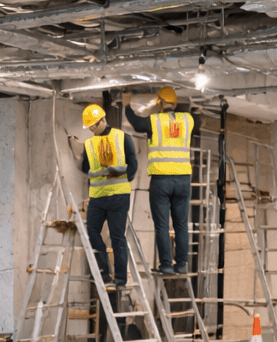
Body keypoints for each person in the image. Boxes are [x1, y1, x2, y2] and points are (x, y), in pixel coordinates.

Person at [123, 87, 194, 275]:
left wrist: (127, 104)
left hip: (161, 180)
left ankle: (167, 265)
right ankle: (181, 264)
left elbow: (136, 122)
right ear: (175, 103)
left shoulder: (154, 121)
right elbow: (197, 116)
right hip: (183, 180)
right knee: (181, 225)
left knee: (162, 225)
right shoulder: (188, 120)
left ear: (160, 103)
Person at [68, 103, 136, 289]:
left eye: (93, 126)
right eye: (89, 127)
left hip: (118, 196)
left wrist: (121, 173)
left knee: (117, 237)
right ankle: (104, 273)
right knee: (92, 232)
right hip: (97, 197)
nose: (92, 130)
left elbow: (133, 165)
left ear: (103, 120)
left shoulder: (122, 137)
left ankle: (120, 279)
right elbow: (85, 167)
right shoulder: (89, 144)